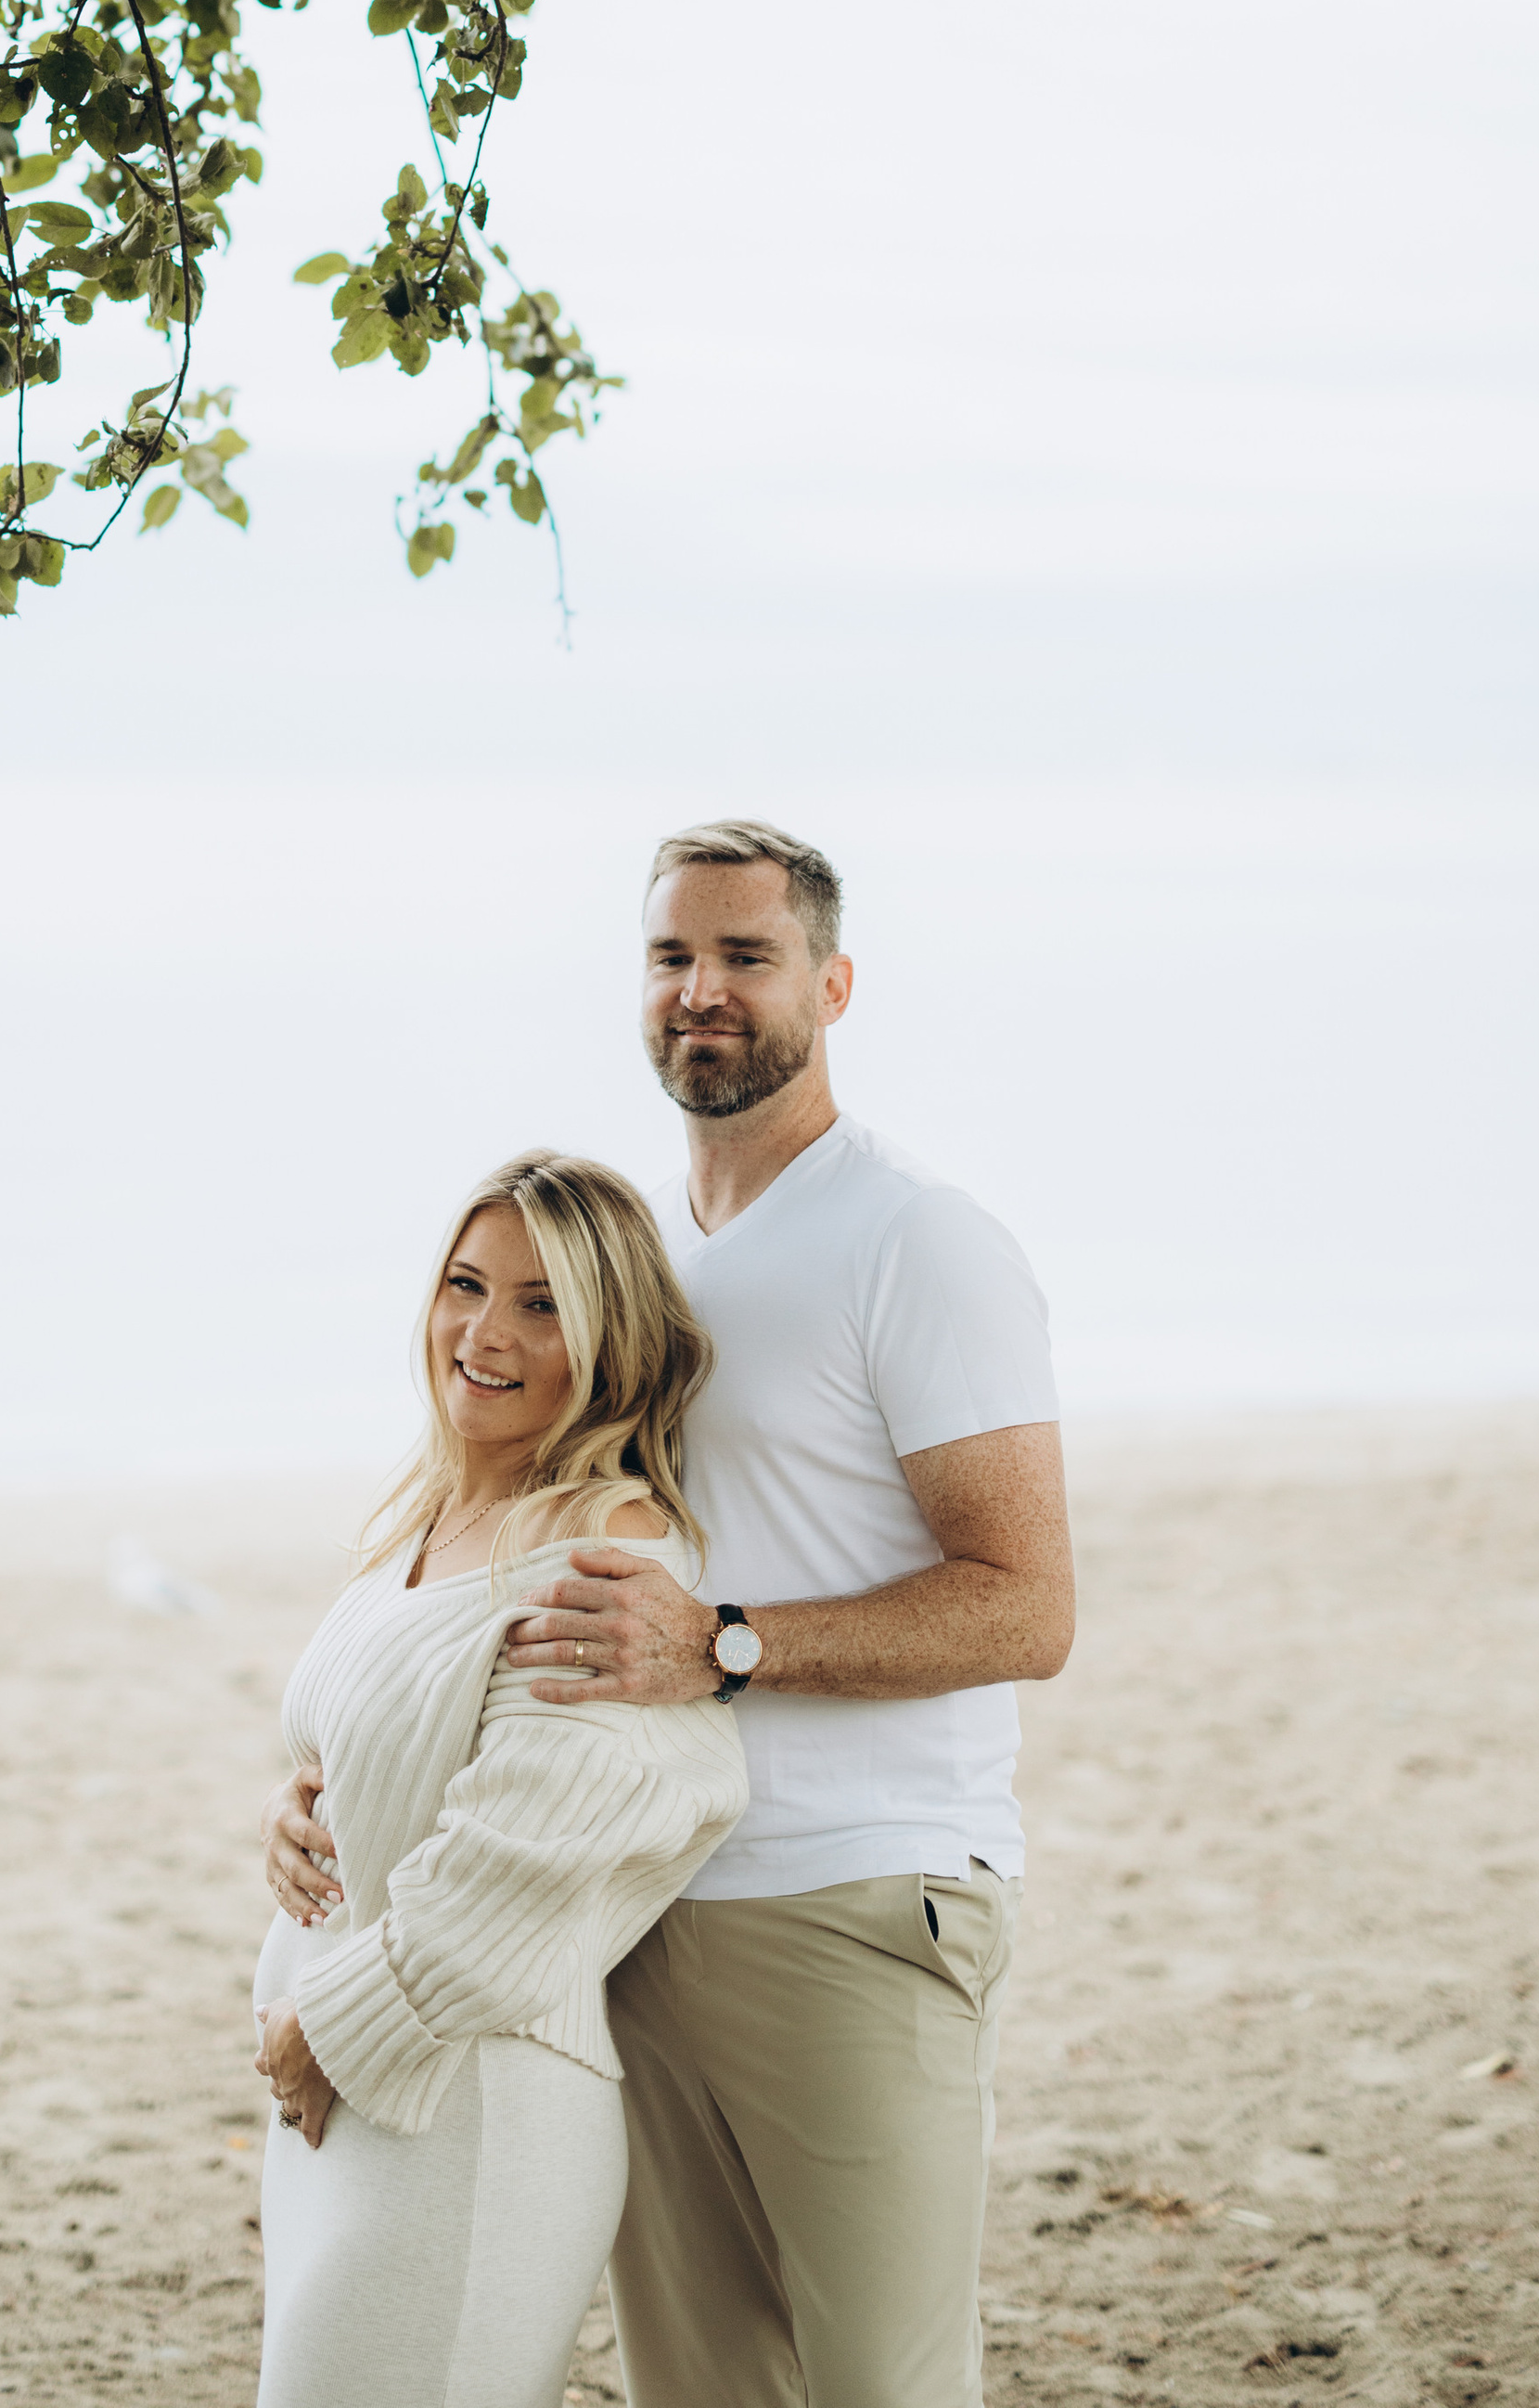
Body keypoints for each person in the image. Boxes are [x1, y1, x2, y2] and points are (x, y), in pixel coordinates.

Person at [265, 820, 1074, 2408]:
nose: (701, 990)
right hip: (625, 1913)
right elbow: (507, 1549)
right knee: (700, 2389)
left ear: (832, 985)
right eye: (670, 956)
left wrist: (725, 1645)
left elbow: (1026, 1607)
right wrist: (340, 1780)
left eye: (745, 956)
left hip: (851, 1894)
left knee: (883, 2386)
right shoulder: (631, 1247)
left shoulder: (916, 1239)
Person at [250, 1150, 748, 2408]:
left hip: (463, 2108)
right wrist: (298, 1807)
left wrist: (328, 2031)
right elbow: (382, 1740)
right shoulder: (427, 1516)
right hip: (353, 2097)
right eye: (466, 1286)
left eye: (543, 1305)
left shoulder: (605, 1546)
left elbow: (534, 1850)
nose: (485, 1333)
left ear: (611, 1342)